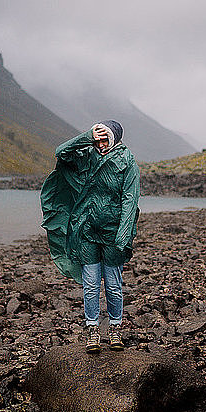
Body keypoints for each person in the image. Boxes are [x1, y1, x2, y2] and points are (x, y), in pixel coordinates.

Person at [40, 120, 140, 353]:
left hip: (113, 232)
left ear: (115, 138)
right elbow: (61, 153)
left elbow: (130, 199)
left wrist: (123, 235)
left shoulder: (128, 162)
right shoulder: (87, 154)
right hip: (86, 229)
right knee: (91, 285)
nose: (101, 143)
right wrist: (86, 136)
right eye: (98, 139)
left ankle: (115, 329)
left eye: (106, 138)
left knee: (114, 285)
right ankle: (93, 330)